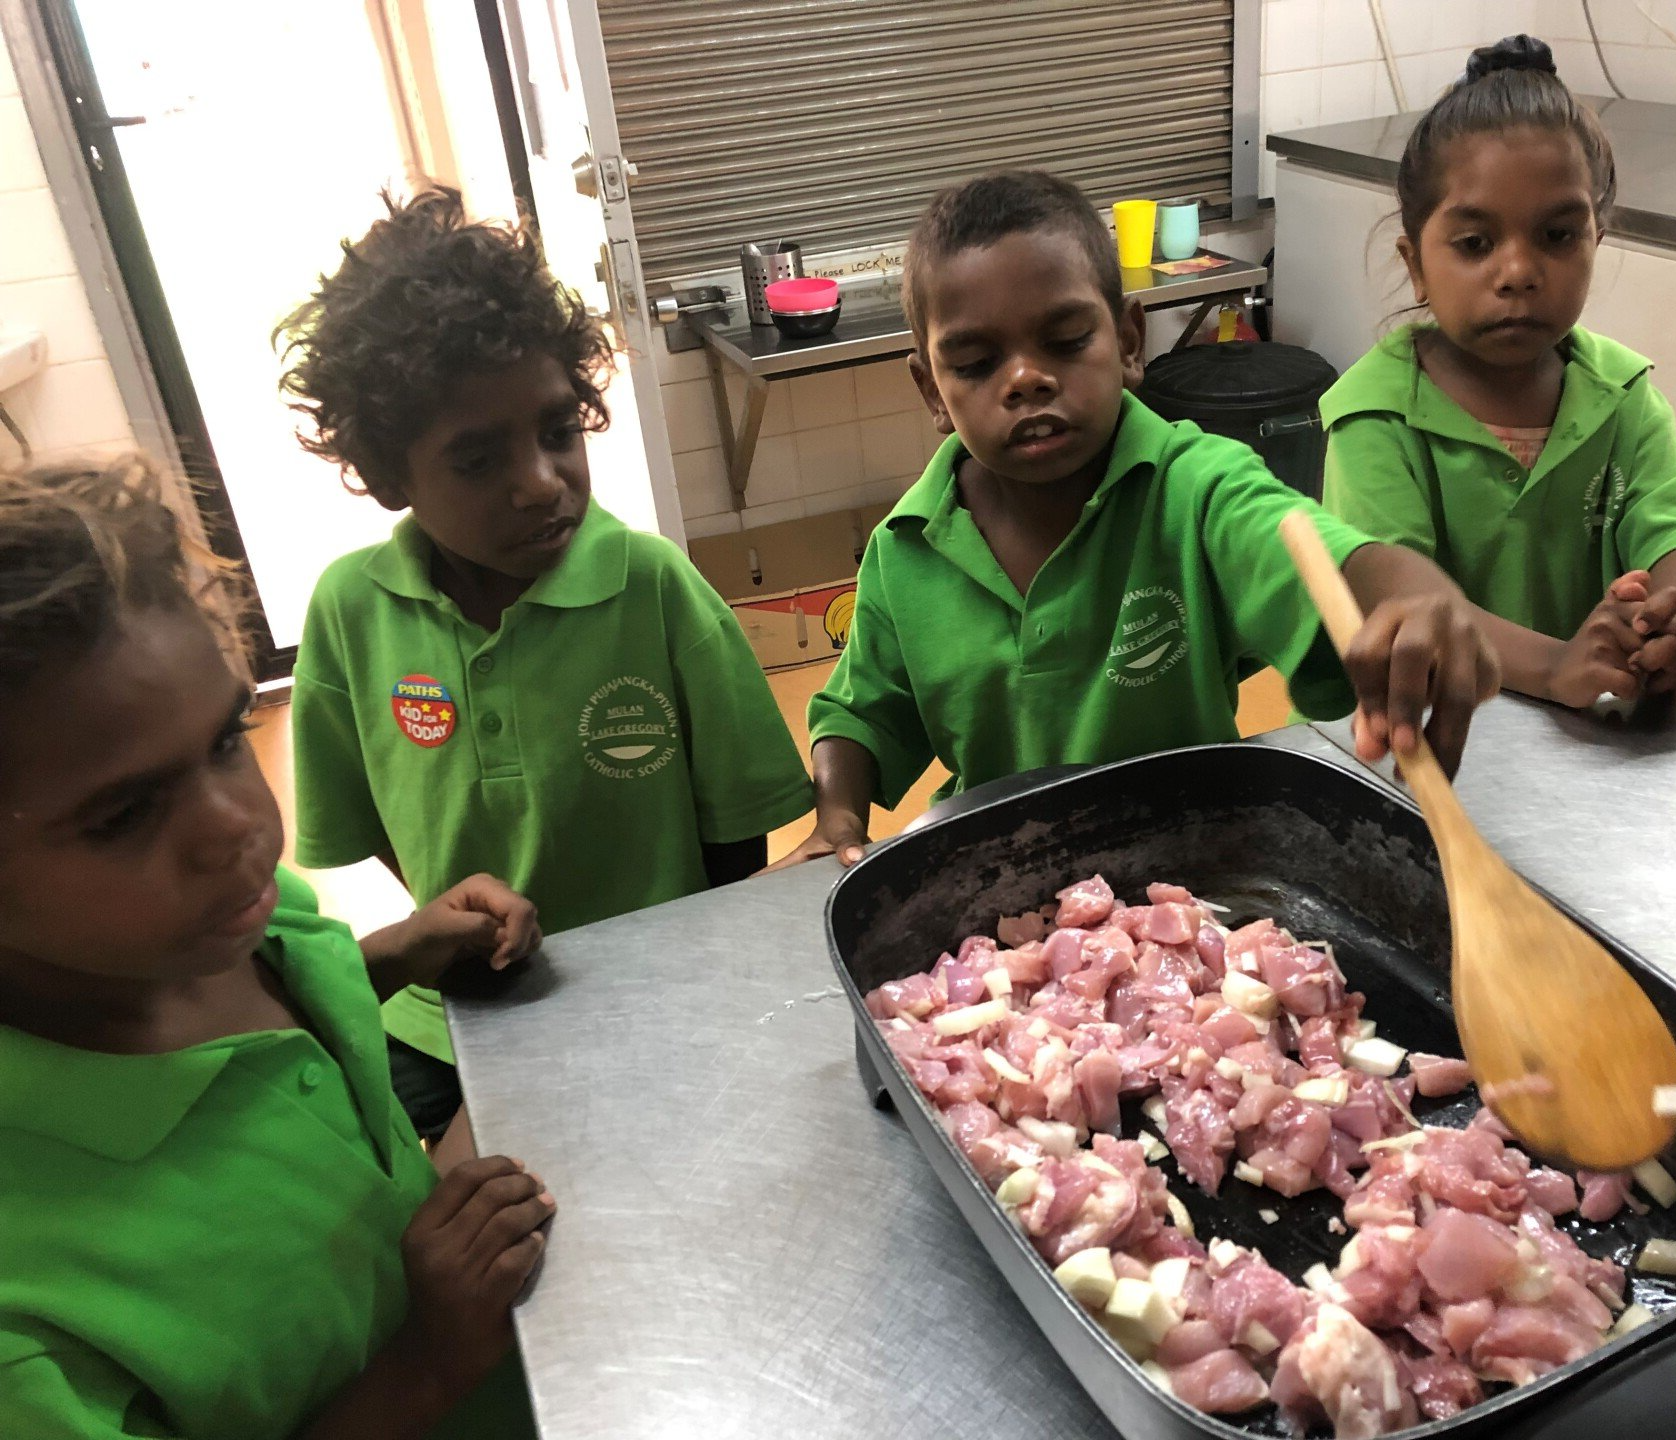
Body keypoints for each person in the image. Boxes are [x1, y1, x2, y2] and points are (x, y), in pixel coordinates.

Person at [0, 455, 547, 1438]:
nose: (236, 825)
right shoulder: (29, 1294)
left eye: (224, 738)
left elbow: (284, 1013)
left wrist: (395, 954)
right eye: (125, 813)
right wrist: (426, 1362)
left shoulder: (234, 924)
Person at [277, 189, 811, 1143]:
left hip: (661, 999)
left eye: (559, 432)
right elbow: (370, 818)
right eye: (478, 462)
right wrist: (460, 930)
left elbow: (736, 828)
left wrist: (695, 968)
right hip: (449, 1020)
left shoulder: (651, 584)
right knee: (404, 1207)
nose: (540, 483)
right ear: (391, 475)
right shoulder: (351, 613)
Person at [777, 170, 1499, 869]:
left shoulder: (1197, 488)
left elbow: (1307, 546)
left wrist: (1408, 589)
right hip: (994, 883)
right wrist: (836, 820)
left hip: (1195, 876)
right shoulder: (905, 551)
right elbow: (860, 715)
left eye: (1064, 341)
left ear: (1127, 343)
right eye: (974, 362)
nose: (1025, 378)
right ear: (931, 390)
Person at [1321, 35, 1676, 712]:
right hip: (1420, 748)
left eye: (1558, 236)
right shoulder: (1376, 413)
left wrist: (1669, 630)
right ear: (1416, 264)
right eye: (1476, 244)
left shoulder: (1622, 396)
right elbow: (1404, 594)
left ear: (1597, 240)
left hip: (1585, 737)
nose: (1518, 273)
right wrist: (1560, 665)